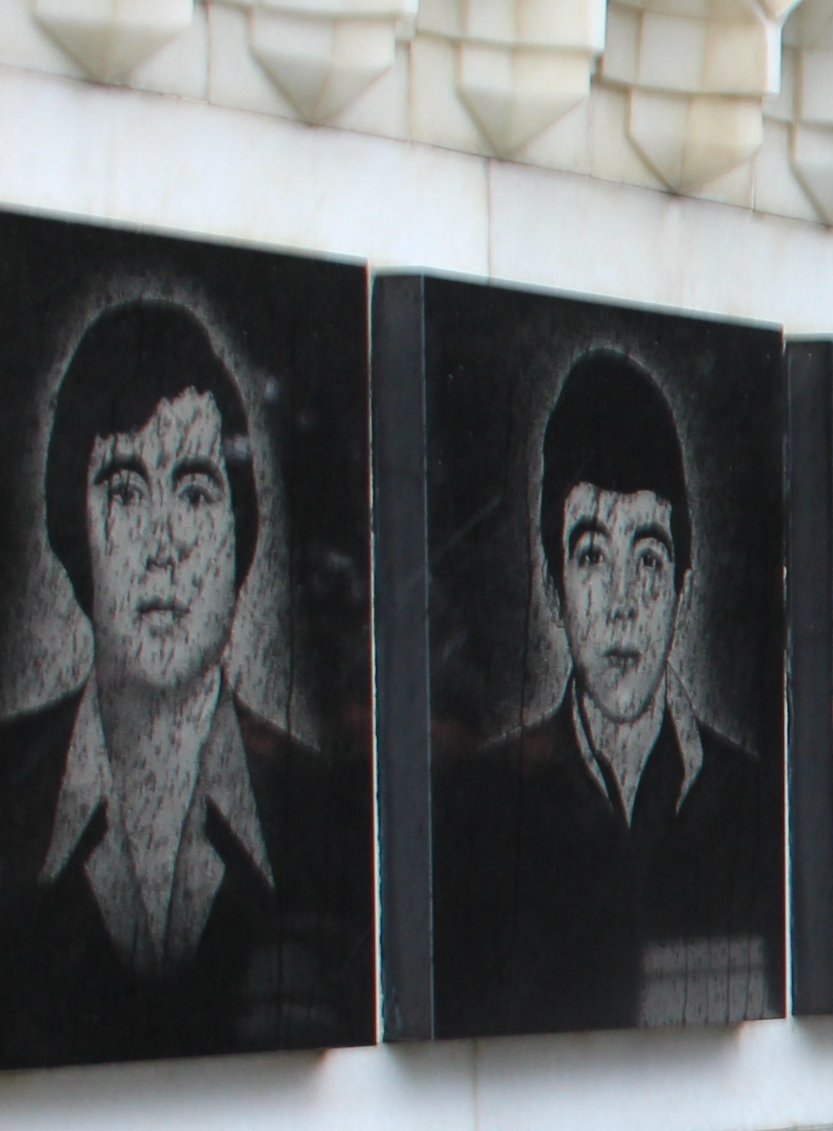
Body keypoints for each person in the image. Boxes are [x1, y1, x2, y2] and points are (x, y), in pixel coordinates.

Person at [0, 296, 364, 1065]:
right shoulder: (16, 791)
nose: (163, 546)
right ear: (75, 529)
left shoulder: (323, 813)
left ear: (240, 534)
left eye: (196, 491)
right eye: (125, 491)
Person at [436, 347, 779, 1035]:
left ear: (684, 586)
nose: (622, 602)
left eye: (648, 558)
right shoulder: (491, 800)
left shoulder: (755, 798)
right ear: (552, 585)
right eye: (592, 555)